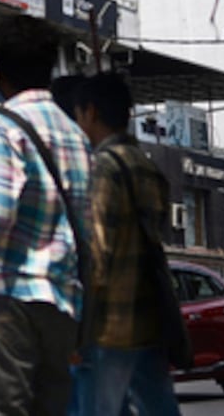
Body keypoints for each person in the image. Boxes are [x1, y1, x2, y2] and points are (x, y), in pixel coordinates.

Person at [0, 15, 92, 416]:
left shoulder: (2, 125)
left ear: (1, 75)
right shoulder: (76, 136)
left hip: (6, 299)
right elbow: (87, 225)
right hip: (61, 301)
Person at [71, 72, 181, 416]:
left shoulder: (104, 168)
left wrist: (80, 326)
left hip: (111, 324)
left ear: (90, 112)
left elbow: (97, 252)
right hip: (150, 318)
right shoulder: (147, 168)